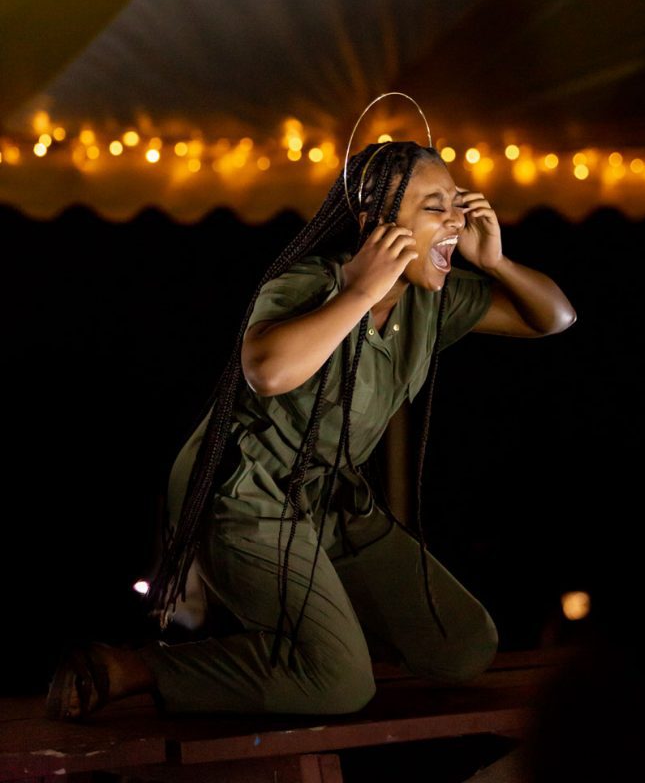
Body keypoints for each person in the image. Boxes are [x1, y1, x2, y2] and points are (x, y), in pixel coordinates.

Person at [47, 137, 576, 720]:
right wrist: (360, 290)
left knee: (463, 646)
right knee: (340, 686)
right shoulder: (311, 284)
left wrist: (496, 261)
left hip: (330, 503)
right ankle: (145, 666)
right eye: (435, 206)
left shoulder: (429, 302)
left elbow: (554, 318)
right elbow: (268, 372)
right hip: (242, 499)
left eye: (458, 202)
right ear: (377, 221)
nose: (456, 219)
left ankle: (320, 640)